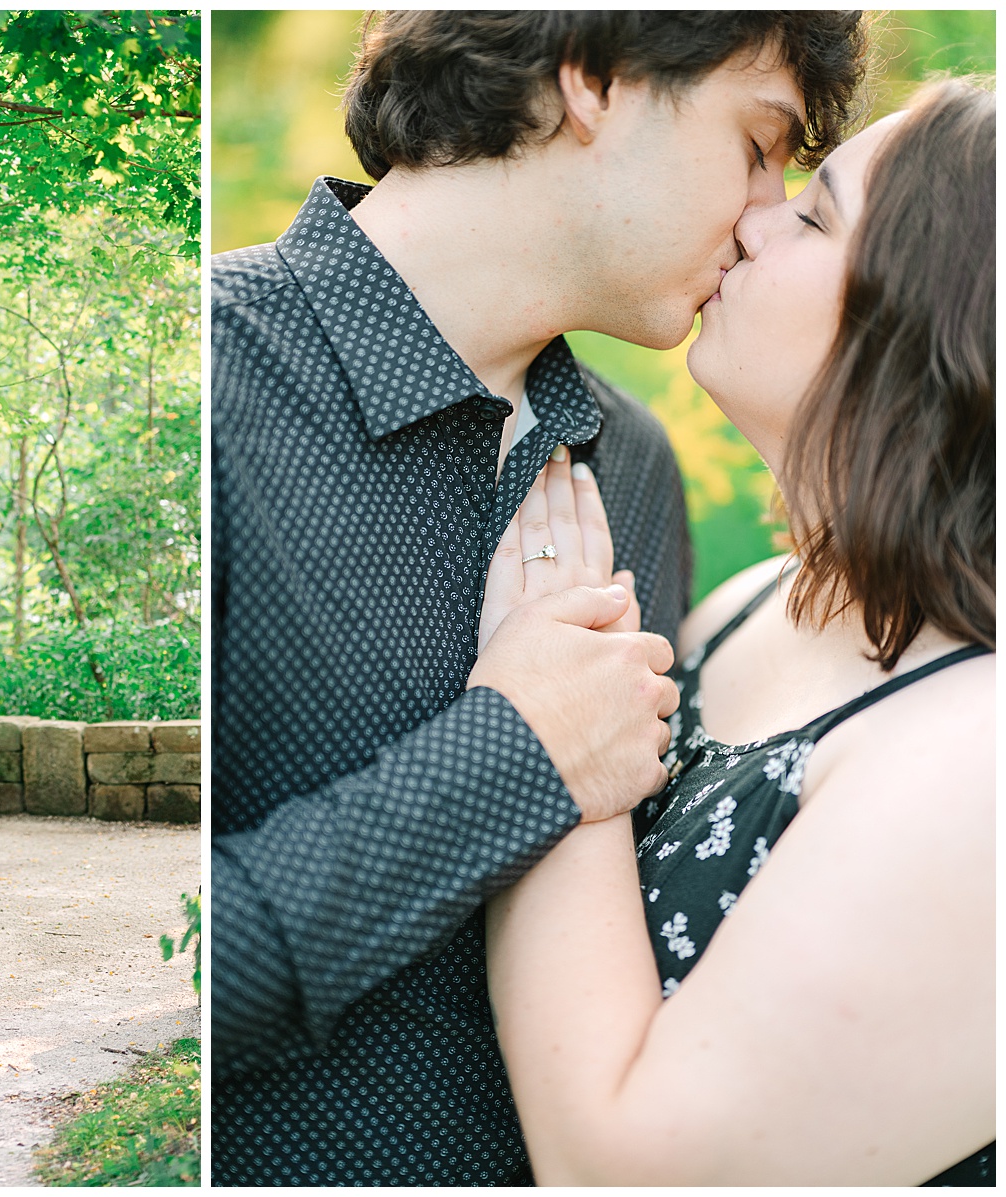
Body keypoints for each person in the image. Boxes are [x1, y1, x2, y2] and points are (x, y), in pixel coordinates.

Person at [210, 10, 868, 1185]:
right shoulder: (212, 385)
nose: (768, 210)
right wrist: (511, 760)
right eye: (757, 142)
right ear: (595, 80)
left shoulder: (634, 469)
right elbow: (128, 988)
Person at [483, 79, 994, 1185]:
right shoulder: (747, 603)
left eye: (814, 213)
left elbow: (623, 1173)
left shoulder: (980, 761)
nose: (751, 219)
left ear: (930, 325)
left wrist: (549, 738)